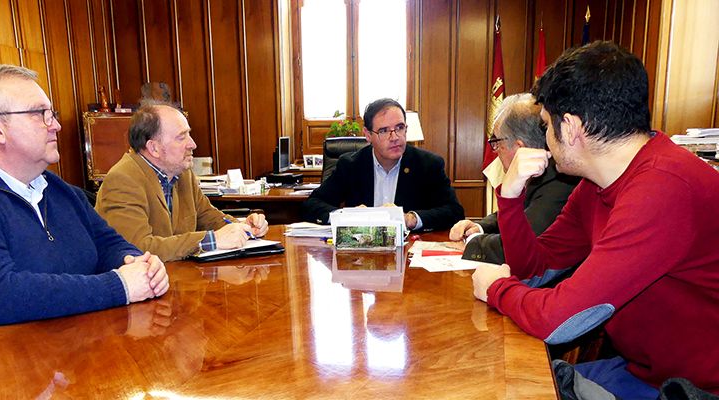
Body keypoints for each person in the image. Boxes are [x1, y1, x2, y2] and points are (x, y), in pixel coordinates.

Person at [472, 41, 719, 397]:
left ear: (569, 127)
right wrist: (509, 199)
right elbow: (536, 270)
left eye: (546, 126)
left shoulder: (663, 187)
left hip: (694, 389)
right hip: (645, 373)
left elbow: (559, 322)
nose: (545, 139)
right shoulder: (595, 185)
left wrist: (496, 288)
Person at [0, 64, 169, 351]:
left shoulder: (57, 189)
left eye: (52, 114)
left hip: (62, 352)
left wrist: (140, 264)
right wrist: (119, 286)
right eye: (41, 114)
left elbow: (108, 244)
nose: (56, 125)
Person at [95, 102, 269, 262]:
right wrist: (211, 240)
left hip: (180, 279)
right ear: (154, 148)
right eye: (181, 137)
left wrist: (243, 227)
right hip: (141, 289)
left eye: (189, 135)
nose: (192, 144)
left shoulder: (182, 173)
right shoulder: (123, 179)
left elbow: (208, 217)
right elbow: (137, 248)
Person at [448, 93, 578, 264]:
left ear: (519, 147)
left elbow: (520, 246)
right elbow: (521, 213)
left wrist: (473, 243)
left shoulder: (560, 182)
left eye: (497, 143)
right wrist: (479, 227)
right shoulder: (544, 173)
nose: (495, 151)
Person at [302, 98, 464, 231]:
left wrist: (412, 218)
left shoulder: (428, 164)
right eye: (384, 131)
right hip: (360, 257)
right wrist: (345, 216)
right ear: (368, 135)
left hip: (409, 257)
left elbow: (454, 212)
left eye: (399, 128)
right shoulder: (351, 165)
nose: (394, 137)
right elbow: (312, 204)